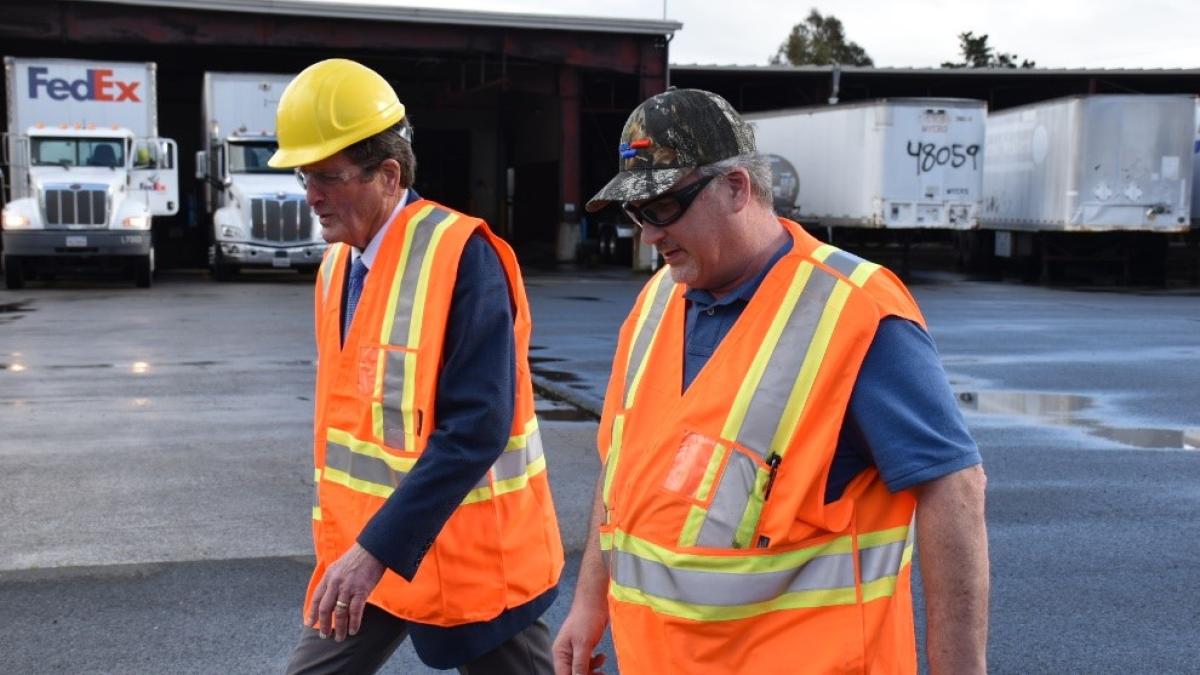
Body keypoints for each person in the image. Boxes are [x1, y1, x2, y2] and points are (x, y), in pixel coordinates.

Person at [553, 88, 989, 674]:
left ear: (736, 187)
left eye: (661, 207)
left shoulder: (855, 312)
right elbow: (620, 474)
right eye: (635, 213)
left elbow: (953, 490)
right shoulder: (657, 302)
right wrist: (588, 604)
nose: (648, 235)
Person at [269, 58, 563, 675]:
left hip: (471, 562)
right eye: (304, 176)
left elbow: (478, 426)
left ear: (388, 174)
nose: (312, 196)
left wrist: (373, 550)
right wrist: (364, 551)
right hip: (373, 558)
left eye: (328, 176)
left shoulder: (462, 257)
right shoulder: (336, 269)